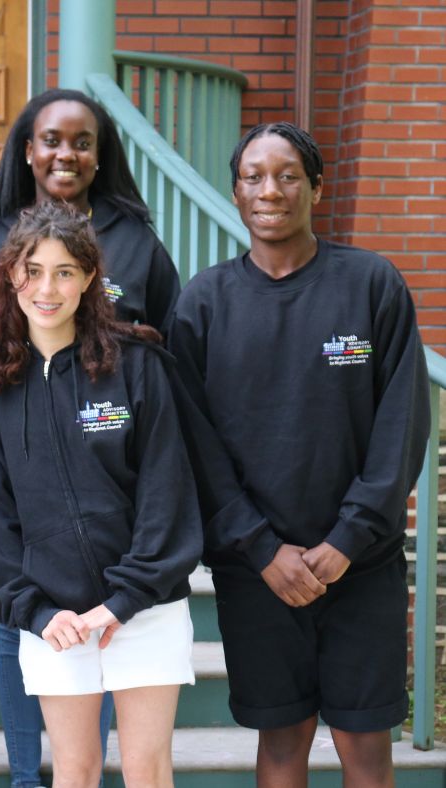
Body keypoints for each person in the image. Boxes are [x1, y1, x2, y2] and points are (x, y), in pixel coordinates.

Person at [168, 122, 430, 788]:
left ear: (316, 186)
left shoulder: (372, 286)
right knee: (282, 742)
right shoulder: (202, 305)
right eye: (253, 176)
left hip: (360, 565)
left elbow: (401, 426)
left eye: (287, 175)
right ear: (234, 193)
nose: (270, 190)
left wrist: (348, 537)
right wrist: (260, 549)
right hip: (257, 571)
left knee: (365, 745)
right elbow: (195, 449)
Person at [0, 88, 181, 785]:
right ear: (27, 149)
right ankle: (23, 773)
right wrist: (4, 415)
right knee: (62, 743)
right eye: (50, 139)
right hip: (35, 498)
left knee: (140, 758)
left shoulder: (137, 240)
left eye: (81, 141)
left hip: (115, 480)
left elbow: (168, 346)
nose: (64, 153)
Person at [0, 200, 202, 787]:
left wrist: (127, 597)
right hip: (56, 617)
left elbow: (165, 492)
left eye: (66, 271)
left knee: (146, 768)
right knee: (75, 768)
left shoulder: (137, 366)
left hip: (144, 608)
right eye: (34, 270)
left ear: (90, 277)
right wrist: (37, 612)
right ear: (10, 276)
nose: (48, 287)